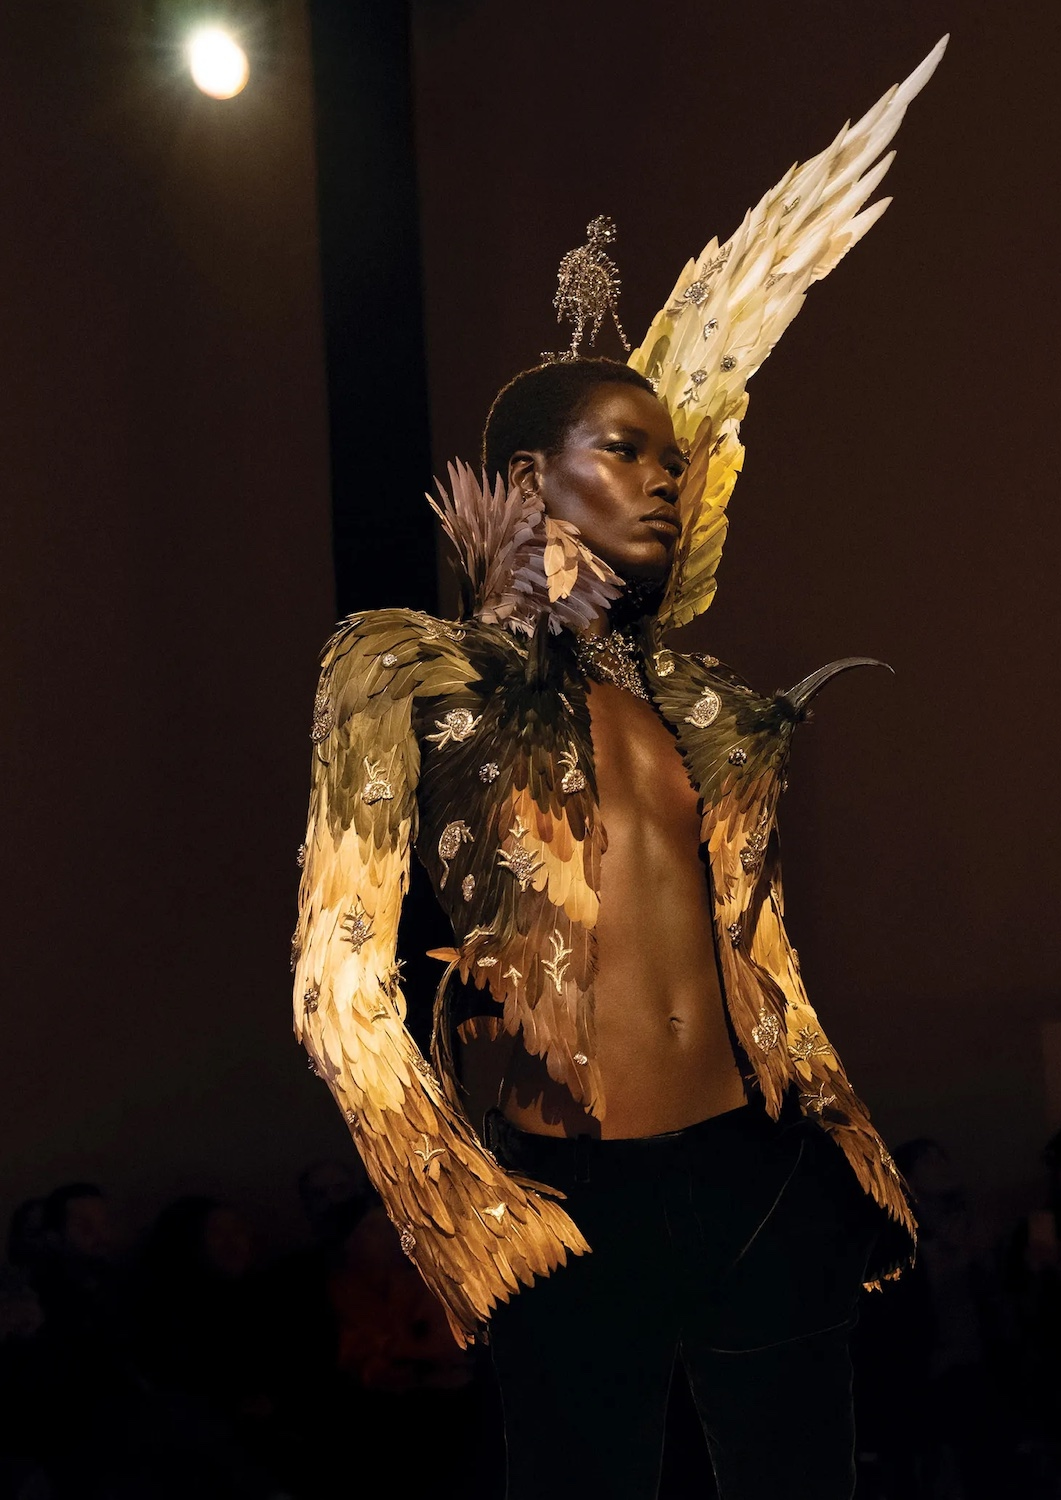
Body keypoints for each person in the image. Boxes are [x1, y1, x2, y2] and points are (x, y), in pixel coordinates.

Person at [293, 38, 946, 1499]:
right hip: (564, 1195)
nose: (668, 477)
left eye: (672, 457)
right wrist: (465, 1210)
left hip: (760, 1175)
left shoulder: (699, 704)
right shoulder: (407, 672)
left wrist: (824, 1154)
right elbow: (337, 979)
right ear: (530, 480)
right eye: (626, 450)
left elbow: (756, 947)